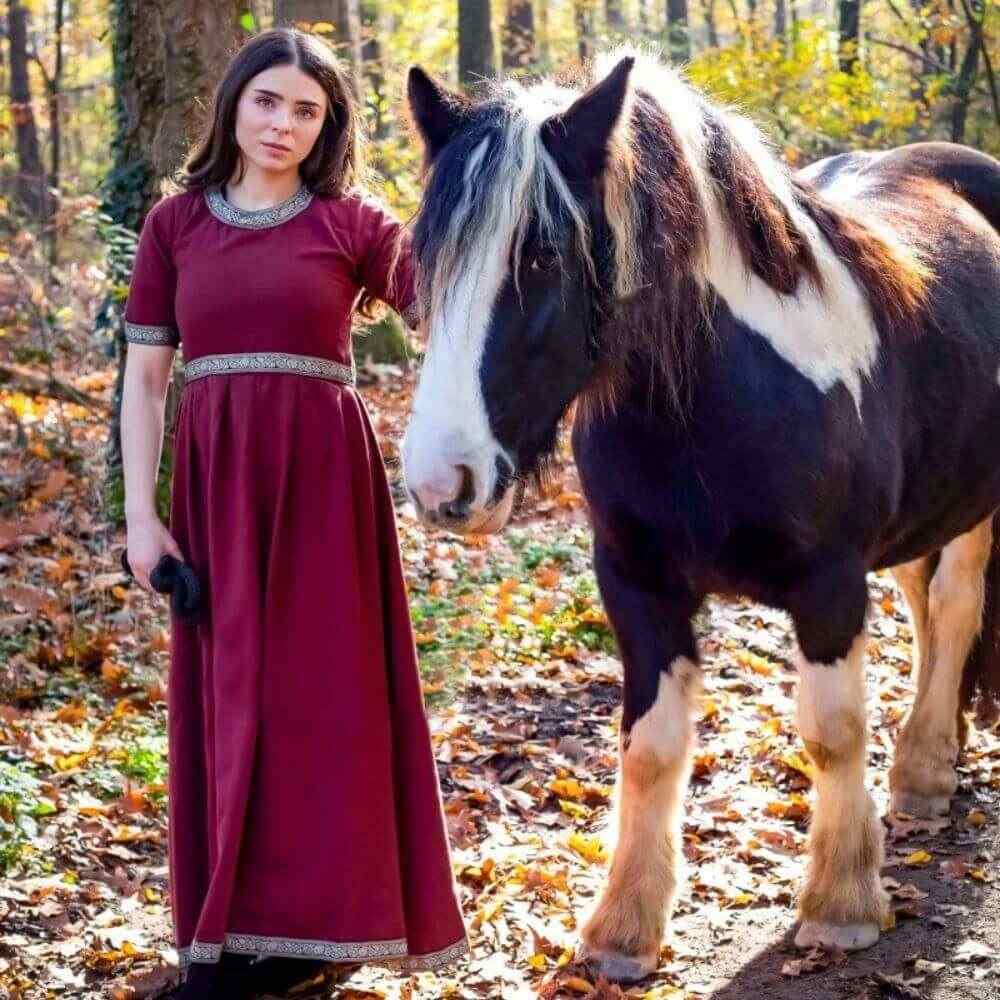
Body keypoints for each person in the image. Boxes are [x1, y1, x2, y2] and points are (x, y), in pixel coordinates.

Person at [120, 27, 468, 1000]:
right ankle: (231, 930)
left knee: (322, 703)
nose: (283, 123)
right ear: (234, 103)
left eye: (306, 110)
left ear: (327, 128)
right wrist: (144, 522)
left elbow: (449, 311)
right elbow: (147, 382)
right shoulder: (174, 225)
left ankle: (319, 932)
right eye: (268, 100)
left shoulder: (354, 223)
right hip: (216, 489)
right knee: (229, 696)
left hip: (325, 490)